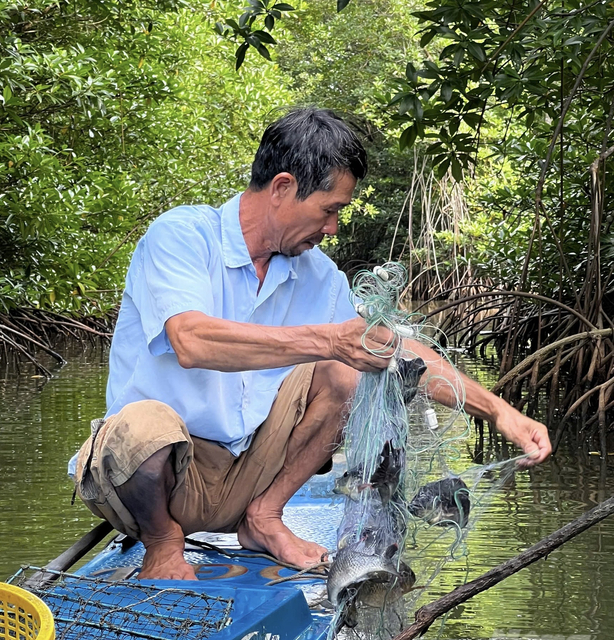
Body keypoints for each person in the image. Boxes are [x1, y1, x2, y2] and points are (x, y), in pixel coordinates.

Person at [71, 107, 551, 580]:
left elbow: (391, 348)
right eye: (330, 210)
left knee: (347, 371)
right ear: (282, 188)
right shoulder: (182, 235)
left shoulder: (317, 274)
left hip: (247, 473)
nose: (333, 229)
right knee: (138, 426)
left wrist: (498, 410)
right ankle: (163, 543)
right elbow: (191, 341)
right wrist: (326, 338)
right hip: (154, 481)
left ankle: (263, 516)